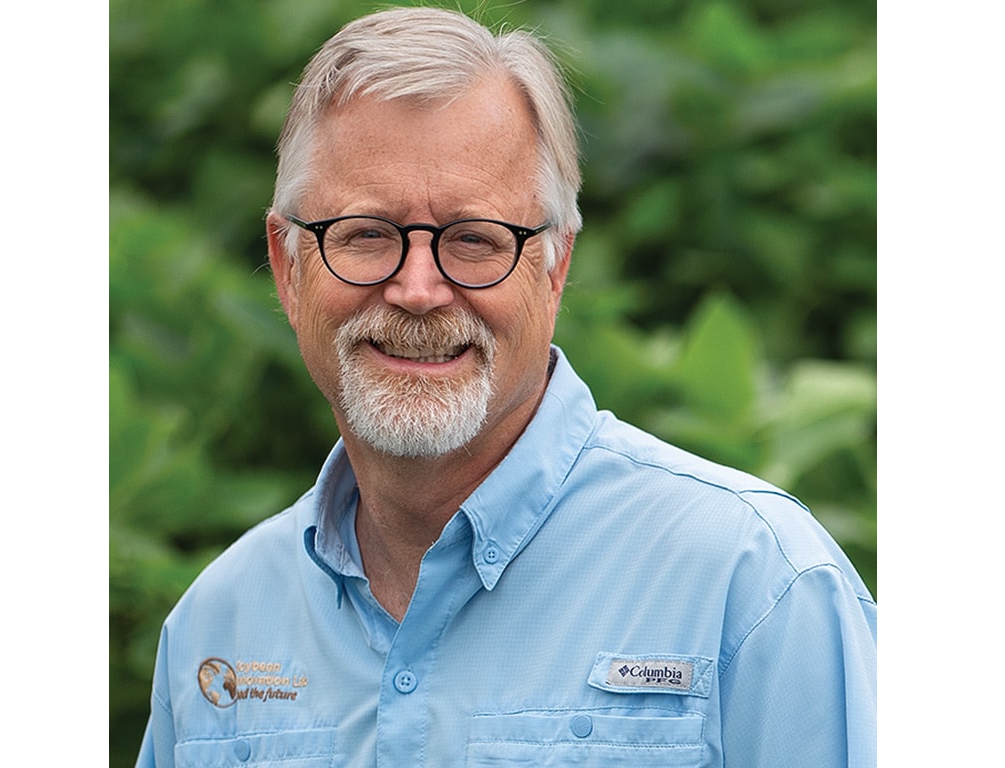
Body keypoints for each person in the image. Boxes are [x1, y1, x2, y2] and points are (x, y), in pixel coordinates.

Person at [136, 6, 876, 767]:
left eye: (473, 239)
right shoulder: (217, 629)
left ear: (555, 267)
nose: (418, 289)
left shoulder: (754, 587)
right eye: (365, 234)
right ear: (289, 265)